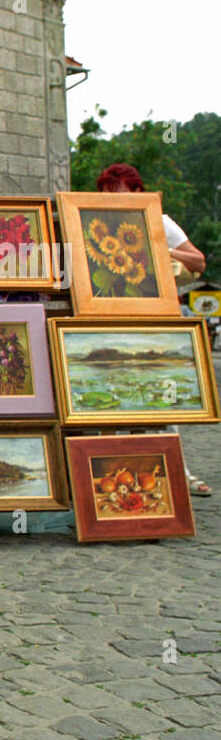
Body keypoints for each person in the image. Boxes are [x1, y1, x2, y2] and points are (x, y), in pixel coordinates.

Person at [97, 162, 211, 495]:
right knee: (112, 394)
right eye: (106, 197)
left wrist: (156, 244)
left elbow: (198, 261)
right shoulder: (97, 224)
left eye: (118, 196)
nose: (113, 203)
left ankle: (180, 473)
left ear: (137, 193)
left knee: (159, 394)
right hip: (110, 315)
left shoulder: (158, 221)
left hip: (151, 315)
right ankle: (106, 472)